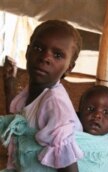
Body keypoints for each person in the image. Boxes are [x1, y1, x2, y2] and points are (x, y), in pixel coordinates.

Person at [2, 20, 83, 172]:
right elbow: (17, 125)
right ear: (27, 52)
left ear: (69, 67)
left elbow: (69, 168)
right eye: (38, 48)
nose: (45, 57)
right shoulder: (30, 94)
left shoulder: (55, 104)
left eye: (57, 55)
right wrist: (9, 86)